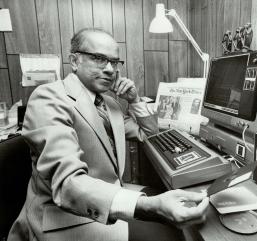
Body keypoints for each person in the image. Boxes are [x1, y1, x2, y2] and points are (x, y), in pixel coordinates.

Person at [7, 28, 209, 241]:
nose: (111, 69)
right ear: (74, 61)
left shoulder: (109, 104)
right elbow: (68, 183)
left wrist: (134, 100)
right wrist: (149, 206)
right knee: (169, 236)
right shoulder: (49, 98)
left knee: (164, 205)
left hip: (109, 194)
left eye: (115, 62)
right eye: (99, 59)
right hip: (63, 216)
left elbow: (148, 134)